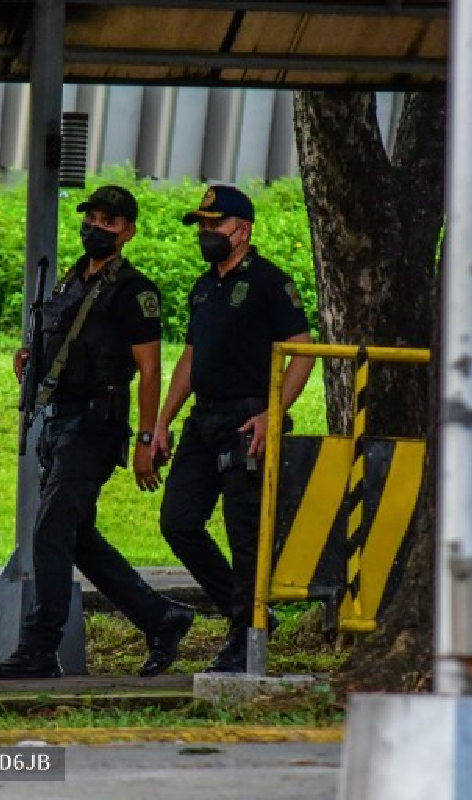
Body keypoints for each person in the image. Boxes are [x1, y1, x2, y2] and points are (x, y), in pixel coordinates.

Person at [0, 185, 195, 680]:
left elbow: (150, 370)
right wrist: (31, 360)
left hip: (95, 426)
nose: (96, 228)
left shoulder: (134, 290)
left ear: (128, 231)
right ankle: (162, 618)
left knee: (50, 528)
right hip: (59, 422)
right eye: (93, 218)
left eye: (109, 221)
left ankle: (41, 647)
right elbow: (66, 343)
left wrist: (148, 439)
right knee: (77, 538)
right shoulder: (70, 281)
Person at [155, 185, 315, 673]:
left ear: (242, 230)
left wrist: (272, 410)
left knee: (244, 533)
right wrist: (161, 421)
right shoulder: (204, 287)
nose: (206, 234)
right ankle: (245, 615)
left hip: (249, 419)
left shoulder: (269, 282)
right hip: (204, 418)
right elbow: (191, 356)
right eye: (201, 226)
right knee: (178, 521)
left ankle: (246, 638)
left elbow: (303, 347)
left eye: (215, 225)